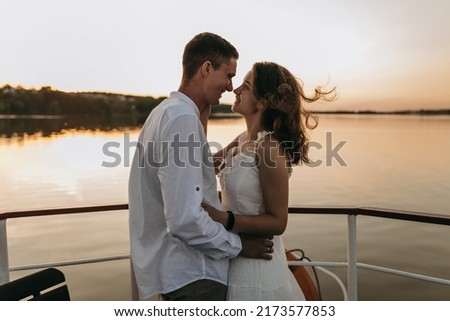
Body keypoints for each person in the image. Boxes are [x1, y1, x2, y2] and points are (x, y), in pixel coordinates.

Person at [128, 33, 274, 301]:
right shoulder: (182, 120)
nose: (231, 87)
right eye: (229, 75)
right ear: (207, 68)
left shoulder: (163, 112)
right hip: (192, 276)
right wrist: (238, 245)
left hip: (164, 272)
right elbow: (184, 220)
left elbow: (189, 176)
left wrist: (212, 125)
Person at [202, 61, 335, 300]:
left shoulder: (269, 147)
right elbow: (202, 168)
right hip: (235, 255)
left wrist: (224, 218)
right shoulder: (242, 139)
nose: (236, 90)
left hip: (259, 269)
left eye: (246, 85)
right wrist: (202, 108)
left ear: (263, 101)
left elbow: (278, 221)